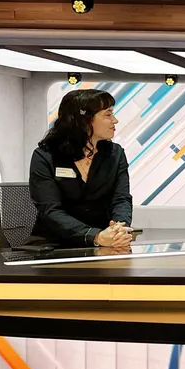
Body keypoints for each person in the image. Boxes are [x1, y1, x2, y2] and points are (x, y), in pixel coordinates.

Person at [29, 89, 133, 249]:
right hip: (52, 245)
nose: (115, 120)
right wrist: (94, 236)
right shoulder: (45, 155)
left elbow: (121, 199)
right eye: (108, 114)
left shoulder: (116, 154)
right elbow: (50, 210)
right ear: (84, 120)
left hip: (103, 242)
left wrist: (119, 229)